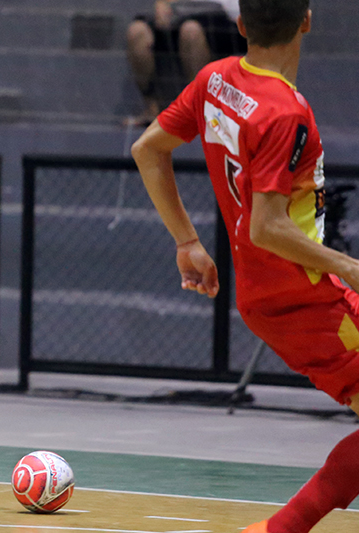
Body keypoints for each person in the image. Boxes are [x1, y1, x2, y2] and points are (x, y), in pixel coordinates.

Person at [131, 1, 359, 531]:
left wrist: (187, 240)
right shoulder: (285, 111)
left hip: (266, 296)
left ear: (239, 25)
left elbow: (148, 149)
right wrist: (347, 266)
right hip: (309, 298)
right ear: (306, 20)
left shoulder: (215, 79)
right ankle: (282, 527)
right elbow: (267, 226)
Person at [126, 0, 245, 123]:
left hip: (218, 19)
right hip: (180, 13)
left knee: (191, 31)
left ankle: (199, 107)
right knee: (137, 31)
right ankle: (152, 108)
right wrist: (163, 5)